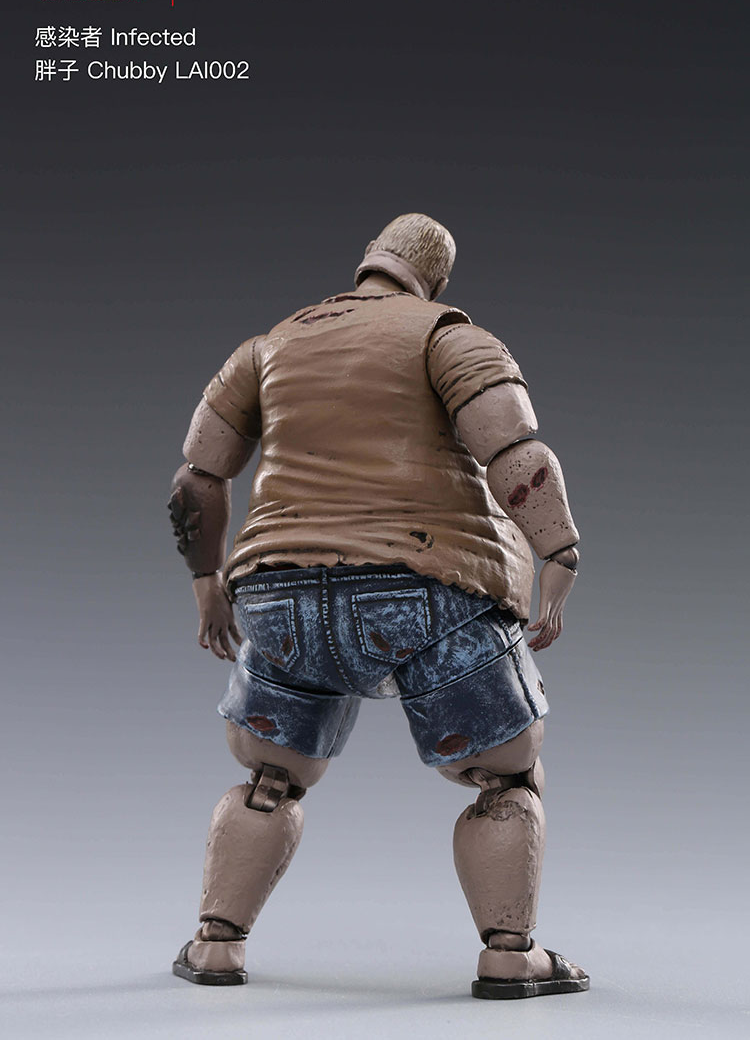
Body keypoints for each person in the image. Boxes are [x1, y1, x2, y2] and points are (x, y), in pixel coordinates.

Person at [168, 213, 589, 998]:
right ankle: (509, 954)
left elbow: (197, 476)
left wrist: (206, 583)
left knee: (270, 776)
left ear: (369, 259)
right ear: (434, 277)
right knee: (507, 775)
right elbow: (514, 450)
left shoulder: (268, 346)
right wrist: (558, 551)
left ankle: (215, 944)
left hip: (281, 598)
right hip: (431, 587)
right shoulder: (446, 334)